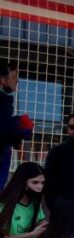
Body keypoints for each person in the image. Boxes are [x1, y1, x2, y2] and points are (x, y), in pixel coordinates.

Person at [0, 162, 47, 238]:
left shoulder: (34, 205)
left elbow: (41, 224)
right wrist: (33, 234)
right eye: (35, 182)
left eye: (42, 183)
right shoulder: (4, 206)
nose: (40, 187)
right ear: (22, 182)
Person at [0, 60, 32, 189]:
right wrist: (20, 125)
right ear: (2, 79)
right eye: (13, 77)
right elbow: (3, 129)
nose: (16, 81)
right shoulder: (3, 100)